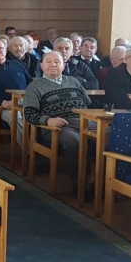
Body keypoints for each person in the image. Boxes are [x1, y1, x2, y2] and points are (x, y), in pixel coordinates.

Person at [23, 51, 93, 191]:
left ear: (63, 66)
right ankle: (81, 185)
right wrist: (48, 120)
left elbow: (89, 105)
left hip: (85, 122)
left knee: (110, 137)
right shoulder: (35, 86)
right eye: (48, 62)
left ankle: (100, 183)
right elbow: (29, 113)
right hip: (58, 126)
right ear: (42, 66)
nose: (53, 64)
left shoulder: (73, 81)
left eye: (57, 61)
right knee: (74, 141)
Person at [0, 39, 31, 139]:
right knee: (15, 116)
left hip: (24, 102)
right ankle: (27, 147)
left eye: (0, 49)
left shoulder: (17, 65)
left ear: (6, 51)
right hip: (0, 107)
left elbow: (31, 84)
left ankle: (44, 144)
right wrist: (2, 103)